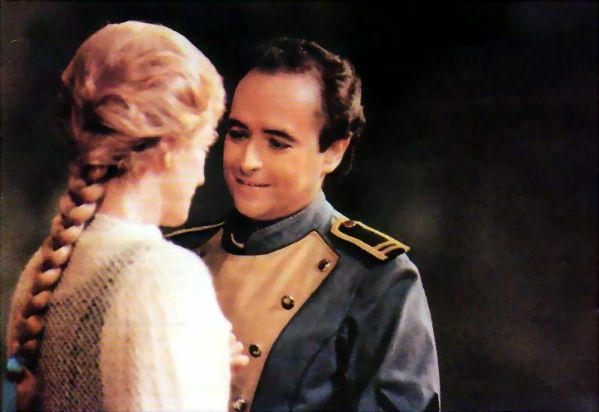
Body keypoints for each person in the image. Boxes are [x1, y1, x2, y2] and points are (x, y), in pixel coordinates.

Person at [168, 37, 440, 411]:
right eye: (238, 134)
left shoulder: (376, 278)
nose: (247, 161)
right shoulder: (177, 255)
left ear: (333, 151)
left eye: (277, 143)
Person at [4, 21, 238, 412]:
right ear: (169, 148)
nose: (201, 176)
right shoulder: (165, 276)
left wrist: (206, 363)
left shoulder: (43, 268)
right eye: (203, 146)